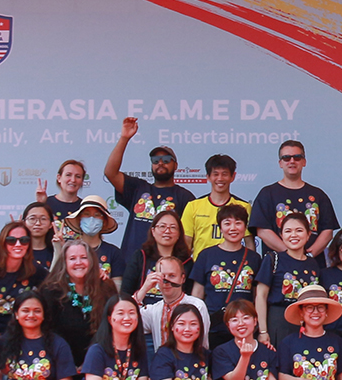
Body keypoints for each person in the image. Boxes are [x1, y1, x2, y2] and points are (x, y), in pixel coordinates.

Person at [103, 117, 197, 268]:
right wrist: (124, 138)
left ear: (176, 165)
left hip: (166, 269)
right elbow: (110, 173)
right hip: (131, 265)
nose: (160, 163)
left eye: (166, 159)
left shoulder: (185, 197)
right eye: (155, 160)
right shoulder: (138, 188)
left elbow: (188, 237)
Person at [249, 140, 338, 258]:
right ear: (280, 163)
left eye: (297, 157)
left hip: (312, 264)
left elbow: (327, 231)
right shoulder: (267, 194)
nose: (292, 161)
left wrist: (309, 255)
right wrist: (291, 254)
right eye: (286, 158)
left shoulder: (318, 194)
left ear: (304, 162)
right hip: (278, 267)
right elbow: (263, 231)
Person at [39, 240, 118, 366]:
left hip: (99, 362)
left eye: (83, 258)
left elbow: (112, 328)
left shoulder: (106, 288)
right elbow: (46, 331)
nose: (78, 263)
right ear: (64, 262)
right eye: (72, 258)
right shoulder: (51, 291)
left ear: (92, 261)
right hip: (61, 363)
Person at [191, 204, 258, 349]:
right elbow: (197, 294)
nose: (233, 228)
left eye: (238, 223)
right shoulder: (206, 255)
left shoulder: (254, 258)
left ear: (245, 227)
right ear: (220, 228)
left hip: (244, 328)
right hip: (213, 326)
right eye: (227, 223)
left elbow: (257, 295)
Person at [255, 212, 321, 345]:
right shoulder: (273, 259)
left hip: (306, 321)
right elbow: (261, 295)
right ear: (281, 235)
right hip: (279, 322)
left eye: (299, 230)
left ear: (308, 235)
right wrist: (263, 331)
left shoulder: (313, 263)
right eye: (288, 231)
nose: (293, 235)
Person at [0, 222, 47, 334]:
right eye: (11, 240)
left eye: (24, 240)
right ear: (3, 243)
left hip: (24, 335)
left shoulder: (35, 270)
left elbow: (54, 287)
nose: (18, 244)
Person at [179, 154, 250, 258]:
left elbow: (249, 242)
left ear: (233, 177)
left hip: (235, 266)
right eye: (215, 174)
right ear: (208, 177)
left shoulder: (244, 207)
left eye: (225, 174)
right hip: (201, 268)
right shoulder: (193, 206)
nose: (220, 179)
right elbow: (186, 243)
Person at [121, 211, 194, 308]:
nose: (167, 231)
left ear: (179, 234)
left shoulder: (187, 262)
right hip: (141, 312)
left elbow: (189, 296)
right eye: (162, 226)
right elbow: (125, 292)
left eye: (173, 227)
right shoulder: (140, 256)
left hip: (176, 315)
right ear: (153, 231)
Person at [138, 256, 203, 349]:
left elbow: (202, 343)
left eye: (172, 276)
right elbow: (128, 318)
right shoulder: (153, 310)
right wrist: (144, 288)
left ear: (182, 278)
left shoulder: (197, 306)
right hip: (161, 361)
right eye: (162, 276)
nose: (167, 281)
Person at [63, 196, 125, 284]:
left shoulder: (113, 252)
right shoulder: (69, 249)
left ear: (104, 221)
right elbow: (57, 279)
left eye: (97, 215)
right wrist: (58, 248)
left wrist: (105, 281)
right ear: (79, 219)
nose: (91, 219)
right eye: (86, 214)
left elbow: (117, 289)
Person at [41, 159, 89, 243]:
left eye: (78, 176)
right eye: (68, 175)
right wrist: (40, 204)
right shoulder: (47, 203)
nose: (73, 180)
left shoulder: (85, 207)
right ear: (59, 178)